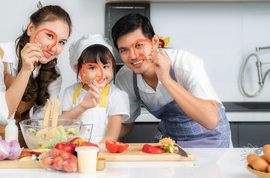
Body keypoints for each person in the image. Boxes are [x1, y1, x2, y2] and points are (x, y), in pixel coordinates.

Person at [111, 13, 231, 148]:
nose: (133, 56)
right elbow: (126, 125)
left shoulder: (184, 63)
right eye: (124, 50)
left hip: (211, 140)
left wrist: (166, 80)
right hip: (170, 143)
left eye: (139, 45)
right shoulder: (126, 78)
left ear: (155, 42)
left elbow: (211, 120)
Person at [0, 4, 72, 146]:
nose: (54, 48)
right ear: (31, 29)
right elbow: (1, 116)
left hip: (18, 145)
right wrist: (26, 71)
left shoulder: (53, 74)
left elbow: (42, 122)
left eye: (62, 42)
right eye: (50, 36)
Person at [60, 34, 130, 143]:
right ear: (78, 68)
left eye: (105, 67)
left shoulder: (117, 96)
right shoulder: (70, 92)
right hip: (73, 152)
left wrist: (89, 153)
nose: (100, 74)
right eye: (92, 67)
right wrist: (82, 107)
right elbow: (61, 126)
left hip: (103, 154)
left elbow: (111, 138)